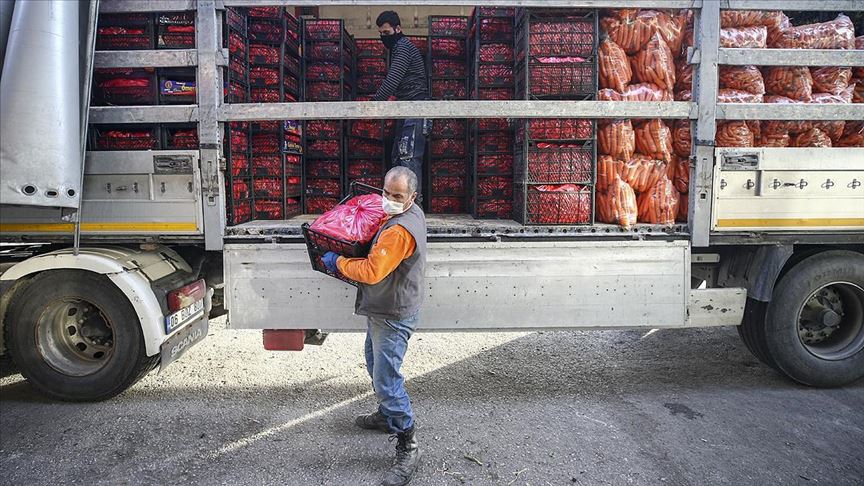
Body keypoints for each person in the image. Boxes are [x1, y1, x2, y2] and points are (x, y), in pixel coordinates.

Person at [321, 166, 427, 486]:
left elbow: (371, 271)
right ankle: (387, 415)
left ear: (412, 197)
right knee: (373, 361)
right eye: (387, 193)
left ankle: (409, 446)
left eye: (397, 196)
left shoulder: (398, 231)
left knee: (387, 379)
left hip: (392, 313)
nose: (390, 200)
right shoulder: (412, 213)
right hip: (387, 305)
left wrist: (336, 261)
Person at [373, 10, 431, 200]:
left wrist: (374, 105)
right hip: (406, 108)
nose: (384, 38)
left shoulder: (403, 47)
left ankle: (413, 208)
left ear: (398, 29)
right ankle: (400, 205)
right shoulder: (399, 47)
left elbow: (392, 80)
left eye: (387, 33)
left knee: (408, 159)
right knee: (399, 158)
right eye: (381, 34)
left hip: (416, 107)